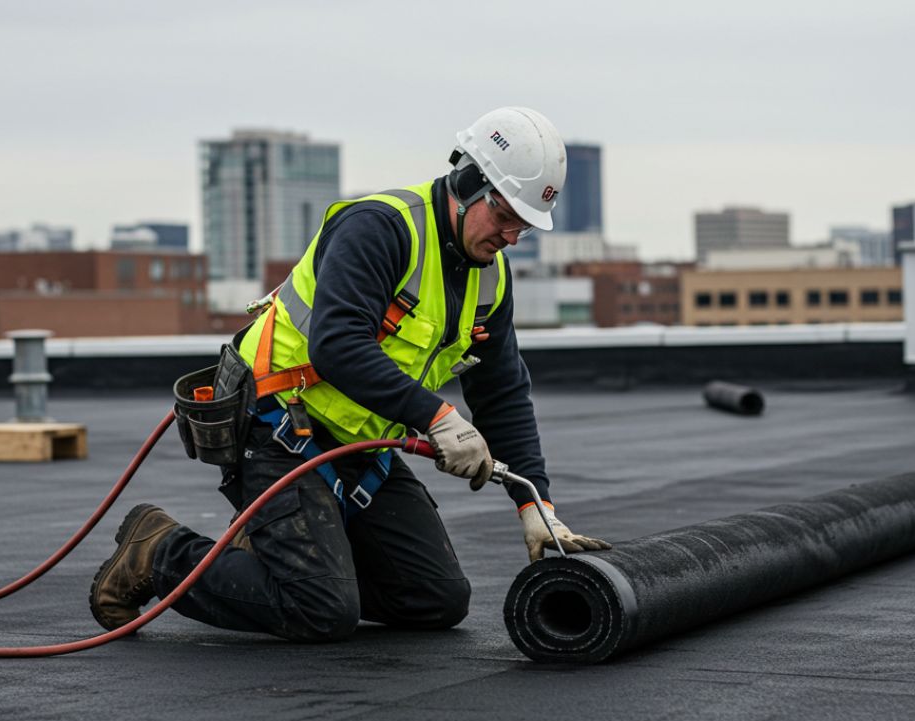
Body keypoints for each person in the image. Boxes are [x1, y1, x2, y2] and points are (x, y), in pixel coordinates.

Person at [89, 107, 610, 642]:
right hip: (276, 423)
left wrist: (534, 503)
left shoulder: (489, 278)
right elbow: (337, 345)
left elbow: (502, 392)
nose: (512, 236)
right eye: (505, 217)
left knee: (436, 600)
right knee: (319, 609)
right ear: (469, 183)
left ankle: (288, 556)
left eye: (524, 224)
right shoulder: (380, 228)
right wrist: (437, 416)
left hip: (362, 447)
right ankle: (157, 550)